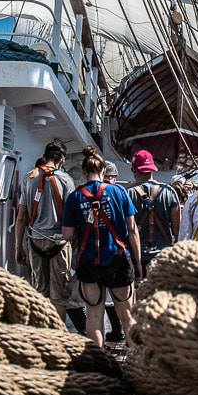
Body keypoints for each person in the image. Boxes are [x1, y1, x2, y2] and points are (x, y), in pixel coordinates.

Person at [61, 146, 142, 347]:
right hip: (118, 259)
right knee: (126, 316)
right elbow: (132, 230)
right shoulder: (119, 192)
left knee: (94, 316)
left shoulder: (74, 197)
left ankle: (99, 363)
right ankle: (135, 361)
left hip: (89, 261)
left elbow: (67, 234)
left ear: (83, 171)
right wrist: (138, 262)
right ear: (104, 171)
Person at [14, 142, 77, 324]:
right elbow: (71, 218)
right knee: (59, 298)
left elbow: (21, 217)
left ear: (45, 155)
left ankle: (41, 333)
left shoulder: (29, 178)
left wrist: (19, 247)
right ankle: (58, 336)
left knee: (40, 293)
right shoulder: (66, 181)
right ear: (62, 160)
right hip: (59, 243)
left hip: (35, 241)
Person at [126, 149, 180, 269]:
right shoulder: (169, 191)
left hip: (138, 258)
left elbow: (128, 229)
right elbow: (177, 228)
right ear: (152, 169)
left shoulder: (128, 194)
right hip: (164, 256)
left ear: (134, 170)